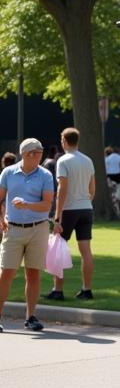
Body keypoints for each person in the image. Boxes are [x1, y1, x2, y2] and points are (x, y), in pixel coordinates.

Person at [0, 138, 54, 333]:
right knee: (6, 273)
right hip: (12, 229)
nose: (41, 155)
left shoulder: (45, 175)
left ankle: (30, 317)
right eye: (38, 152)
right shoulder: (8, 172)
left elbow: (47, 204)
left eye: (40, 152)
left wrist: (27, 204)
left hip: (38, 229)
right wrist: (1, 218)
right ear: (27, 154)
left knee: (33, 274)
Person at [47, 127, 97, 301]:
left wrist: (57, 216)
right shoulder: (88, 160)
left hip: (69, 209)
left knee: (59, 248)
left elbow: (62, 189)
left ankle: (58, 290)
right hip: (86, 208)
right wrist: (86, 201)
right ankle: (87, 289)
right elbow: (92, 188)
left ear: (64, 141)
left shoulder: (63, 161)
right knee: (86, 251)